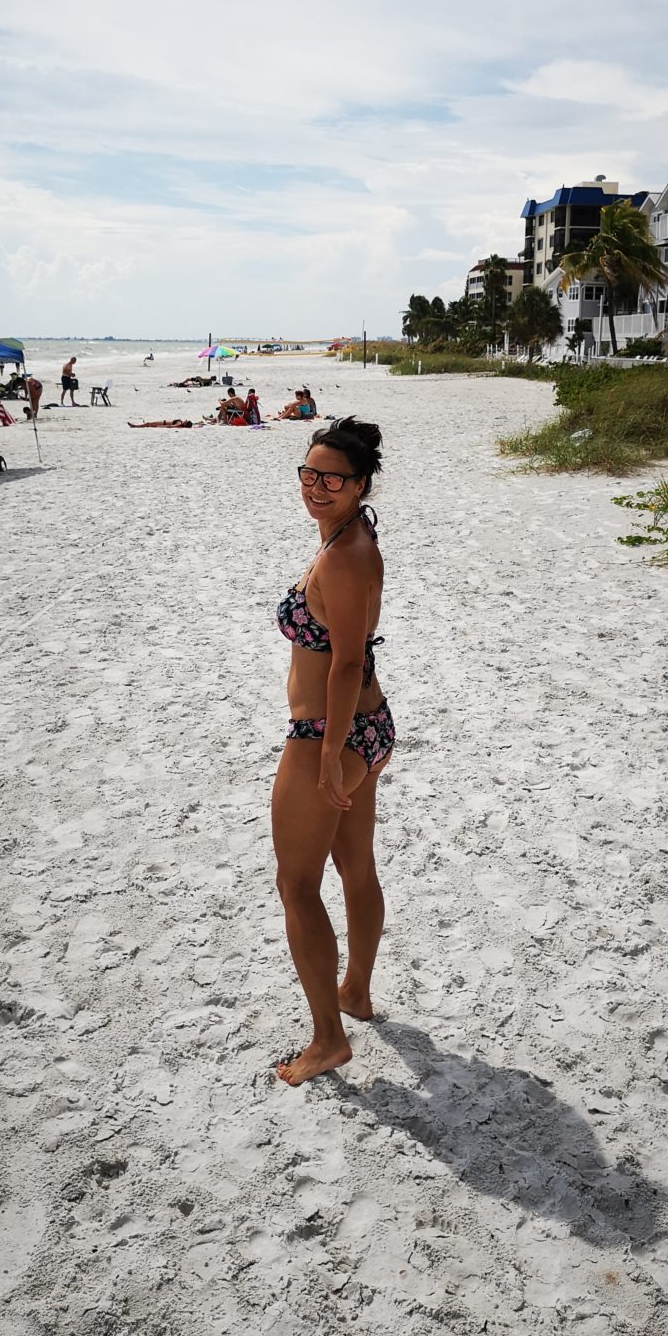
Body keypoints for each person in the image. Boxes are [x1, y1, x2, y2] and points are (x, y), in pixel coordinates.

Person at [271, 418, 394, 1085]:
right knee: (355, 866)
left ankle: (327, 1038)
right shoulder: (357, 534)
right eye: (309, 473)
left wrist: (326, 756)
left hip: (330, 733)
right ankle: (356, 989)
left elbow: (345, 664)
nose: (317, 487)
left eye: (333, 478)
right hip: (370, 729)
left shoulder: (345, 557)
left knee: (296, 884)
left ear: (360, 484)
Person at [127, 419, 194, 428]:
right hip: (163, 423)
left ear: (185, 424)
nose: (186, 420)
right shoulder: (180, 423)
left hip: (163, 423)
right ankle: (136, 426)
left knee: (148, 424)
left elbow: (171, 426)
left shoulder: (179, 423)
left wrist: (161, 426)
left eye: (186, 421)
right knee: (149, 424)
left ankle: (135, 426)